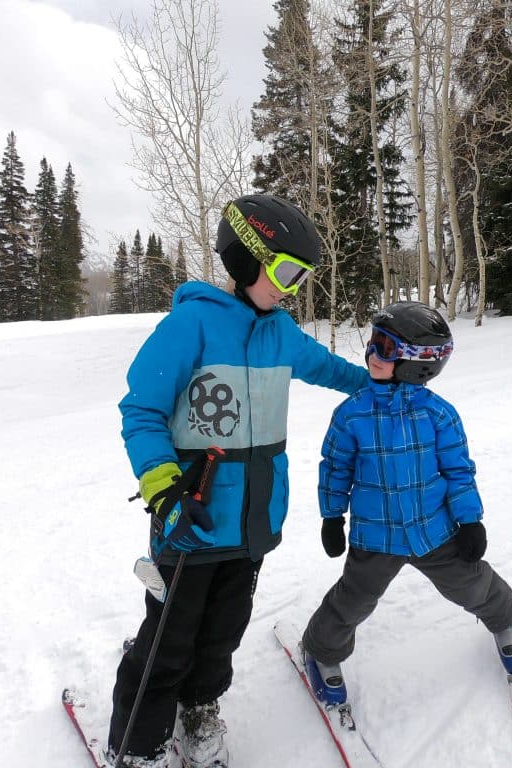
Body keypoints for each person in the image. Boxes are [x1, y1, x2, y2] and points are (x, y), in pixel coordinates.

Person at [106, 194, 370, 768]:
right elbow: (142, 411)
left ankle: (201, 709)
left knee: (223, 631)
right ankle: (139, 745)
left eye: (300, 277)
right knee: (168, 642)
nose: (292, 288)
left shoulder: (280, 334)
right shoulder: (192, 324)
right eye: (286, 273)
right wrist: (164, 488)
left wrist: (380, 385)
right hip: (190, 519)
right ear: (249, 260)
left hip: (253, 522)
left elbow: (330, 369)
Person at [300, 301, 512, 708]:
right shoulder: (352, 414)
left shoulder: (439, 415)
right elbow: (334, 466)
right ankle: (320, 650)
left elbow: (459, 472)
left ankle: (505, 619)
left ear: (416, 362)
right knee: (353, 599)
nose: (372, 355)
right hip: (376, 534)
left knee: (472, 583)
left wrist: (470, 521)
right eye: (373, 344)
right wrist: (331, 516)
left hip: (435, 530)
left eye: (385, 348)